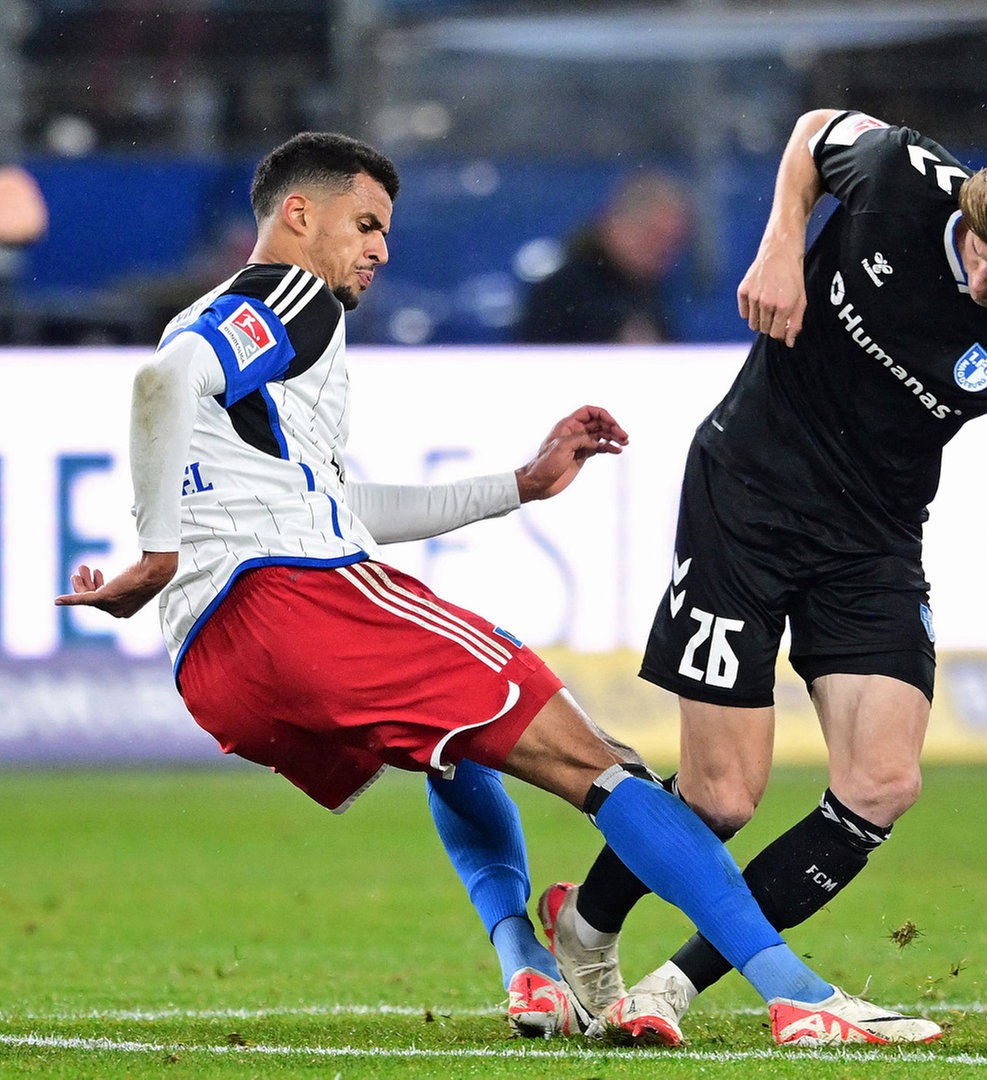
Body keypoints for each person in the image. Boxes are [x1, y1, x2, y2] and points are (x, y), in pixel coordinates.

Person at [52, 131, 940, 1048]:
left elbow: (334, 504)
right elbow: (164, 383)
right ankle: (796, 996)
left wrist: (514, 486)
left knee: (456, 747)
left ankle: (528, 969)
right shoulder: (290, 294)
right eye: (365, 224)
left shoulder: (246, 340)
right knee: (603, 766)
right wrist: (155, 553)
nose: (380, 250)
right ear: (298, 216)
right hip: (293, 601)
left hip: (215, 664)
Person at [533, 109, 987, 1046]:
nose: (982, 278)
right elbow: (813, 132)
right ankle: (585, 923)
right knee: (721, 797)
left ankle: (671, 988)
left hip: (873, 541)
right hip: (745, 494)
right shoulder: (901, 174)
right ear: (970, 201)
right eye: (978, 251)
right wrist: (782, 243)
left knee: (883, 783)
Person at [515, 171, 692, 344]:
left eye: (673, 241)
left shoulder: (652, 295)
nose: (663, 251)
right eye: (654, 236)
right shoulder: (560, 294)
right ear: (619, 222)